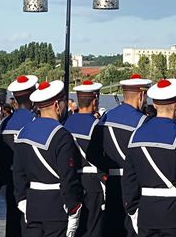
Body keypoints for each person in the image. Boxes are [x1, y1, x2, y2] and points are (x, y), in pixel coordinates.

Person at [124, 78, 176, 237]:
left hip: (145, 215)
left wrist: (133, 211)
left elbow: (129, 182)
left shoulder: (135, 136)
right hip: (174, 217)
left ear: (155, 105)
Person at [13, 80, 83, 237]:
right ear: (57, 105)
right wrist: (73, 209)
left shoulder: (23, 132)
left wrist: (22, 200)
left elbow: (17, 173)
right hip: (56, 209)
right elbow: (68, 178)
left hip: (32, 206)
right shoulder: (62, 135)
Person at [88, 74, 152, 237]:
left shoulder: (104, 119)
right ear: (141, 95)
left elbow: (92, 154)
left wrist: (109, 169)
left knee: (112, 227)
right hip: (135, 186)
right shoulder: (143, 122)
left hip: (112, 182)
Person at [63, 80, 106, 237]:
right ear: (95, 101)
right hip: (93, 182)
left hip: (71, 179)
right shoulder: (98, 126)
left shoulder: (65, 124)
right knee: (92, 229)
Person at [0, 75, 38, 237]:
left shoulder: (5, 123)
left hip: (10, 180)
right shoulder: (36, 121)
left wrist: (3, 184)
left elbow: (1, 158)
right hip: (30, 182)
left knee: (12, 224)